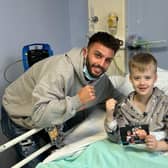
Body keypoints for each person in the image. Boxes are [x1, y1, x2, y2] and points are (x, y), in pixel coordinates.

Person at [1, 32, 124, 167]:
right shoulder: (61, 71)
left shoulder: (101, 82)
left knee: (58, 153)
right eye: (98, 55)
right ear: (85, 52)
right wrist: (77, 100)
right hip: (19, 113)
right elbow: (39, 114)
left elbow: (117, 98)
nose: (101, 64)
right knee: (36, 164)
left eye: (107, 60)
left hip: (48, 116)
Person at [105, 52, 168, 151]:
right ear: (130, 79)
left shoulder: (165, 104)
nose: (142, 83)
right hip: (133, 153)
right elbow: (116, 138)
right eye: (137, 78)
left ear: (155, 78)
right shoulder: (124, 106)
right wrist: (109, 116)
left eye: (147, 78)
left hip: (158, 151)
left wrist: (158, 145)